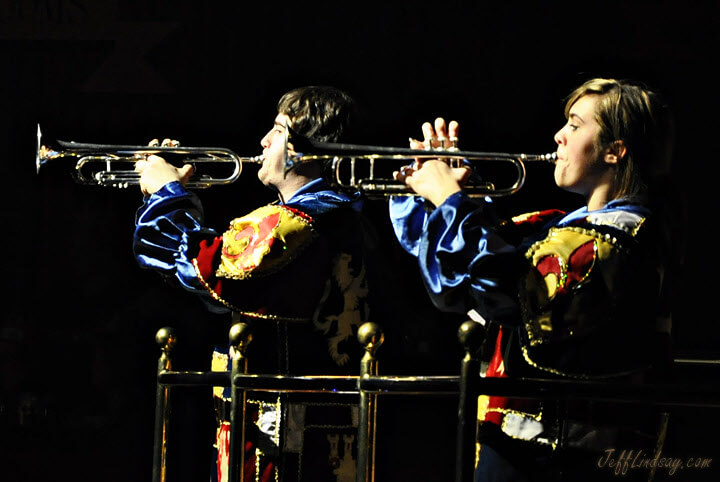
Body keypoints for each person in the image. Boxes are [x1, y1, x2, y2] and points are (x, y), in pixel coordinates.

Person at [389, 78, 676, 481]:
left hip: (561, 459)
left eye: (575, 125)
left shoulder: (620, 237)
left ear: (615, 150)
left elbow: (502, 289)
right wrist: (440, 196)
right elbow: (457, 280)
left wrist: (450, 202)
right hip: (523, 446)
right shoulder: (559, 227)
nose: (559, 135)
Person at [133, 86, 381, 482]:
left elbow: (202, 268)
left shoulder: (301, 220)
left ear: (307, 150)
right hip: (310, 431)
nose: (264, 140)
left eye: (279, 130)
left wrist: (166, 192)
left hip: (286, 443)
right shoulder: (342, 211)